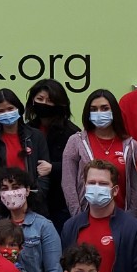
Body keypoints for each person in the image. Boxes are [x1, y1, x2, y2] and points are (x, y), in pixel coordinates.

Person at [61, 89, 137, 217]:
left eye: (105, 108)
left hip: (121, 219)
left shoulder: (131, 145)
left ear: (114, 111)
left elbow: (136, 187)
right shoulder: (76, 142)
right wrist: (78, 217)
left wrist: (130, 220)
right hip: (86, 217)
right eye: (94, 109)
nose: (99, 113)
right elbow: (68, 184)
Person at [0, 167, 63, 272]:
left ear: (28, 190)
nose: (10, 192)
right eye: (5, 188)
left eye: (16, 187)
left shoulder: (44, 226)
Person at [0, 89, 51, 207]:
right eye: (1, 111)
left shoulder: (36, 136)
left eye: (10, 109)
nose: (7, 113)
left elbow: (44, 173)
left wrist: (34, 199)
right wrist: (2, 203)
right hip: (2, 208)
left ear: (19, 109)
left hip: (34, 206)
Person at [24, 79, 80, 229]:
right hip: (32, 200)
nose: (44, 104)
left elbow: (81, 165)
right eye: (40, 99)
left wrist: (53, 168)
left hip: (60, 202)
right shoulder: (26, 130)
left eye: (49, 101)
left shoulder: (72, 132)